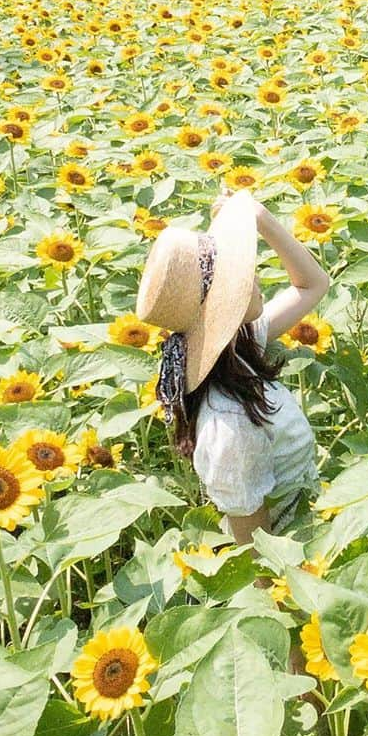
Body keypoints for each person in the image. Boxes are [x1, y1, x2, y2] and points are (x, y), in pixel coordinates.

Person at [136, 188, 330, 549]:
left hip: (309, 525)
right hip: (293, 554)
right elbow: (256, 551)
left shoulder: (238, 347)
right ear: (223, 306)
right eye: (239, 275)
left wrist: (258, 217)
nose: (254, 277)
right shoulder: (230, 426)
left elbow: (312, 285)